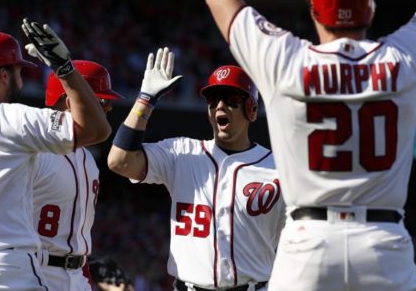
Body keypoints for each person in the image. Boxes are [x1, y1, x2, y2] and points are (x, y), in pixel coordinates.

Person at [206, 0, 416, 290]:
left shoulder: (286, 59)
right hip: (384, 242)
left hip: (308, 243)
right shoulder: (405, 57)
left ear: (312, 6)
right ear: (371, 8)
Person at [0, 19, 111, 290]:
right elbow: (96, 129)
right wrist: (64, 68)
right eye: (18, 71)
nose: (21, 79)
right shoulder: (11, 117)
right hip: (1, 266)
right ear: (3, 75)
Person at [107, 47, 285, 291]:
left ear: (251, 110)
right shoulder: (181, 153)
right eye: (214, 100)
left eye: (232, 100)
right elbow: (120, 161)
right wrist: (145, 99)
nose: (220, 106)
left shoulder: (278, 168)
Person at [32, 60, 124, 290]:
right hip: (34, 270)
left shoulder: (88, 158)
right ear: (68, 99)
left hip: (76, 275)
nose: (108, 108)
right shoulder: (33, 149)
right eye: (101, 101)